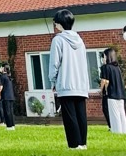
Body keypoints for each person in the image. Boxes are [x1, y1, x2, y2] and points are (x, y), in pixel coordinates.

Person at [50, 9, 89, 150]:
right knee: (81, 114)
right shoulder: (80, 40)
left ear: (59, 24)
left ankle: (74, 144)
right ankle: (82, 143)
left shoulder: (58, 40)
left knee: (69, 116)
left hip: (66, 83)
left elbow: (54, 63)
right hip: (81, 83)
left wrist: (52, 80)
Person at [99, 48, 126, 135]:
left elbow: (105, 80)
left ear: (107, 57)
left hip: (112, 93)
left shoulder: (105, 67)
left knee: (114, 114)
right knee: (121, 113)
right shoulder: (117, 68)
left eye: (104, 56)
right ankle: (124, 130)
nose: (103, 58)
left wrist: (101, 90)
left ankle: (117, 131)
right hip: (120, 93)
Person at [0, 64, 17, 130]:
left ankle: (9, 126)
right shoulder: (9, 77)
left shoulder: (3, 77)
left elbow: (0, 87)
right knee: (11, 111)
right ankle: (12, 125)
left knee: (7, 111)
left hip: (6, 96)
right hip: (11, 96)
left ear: (3, 69)